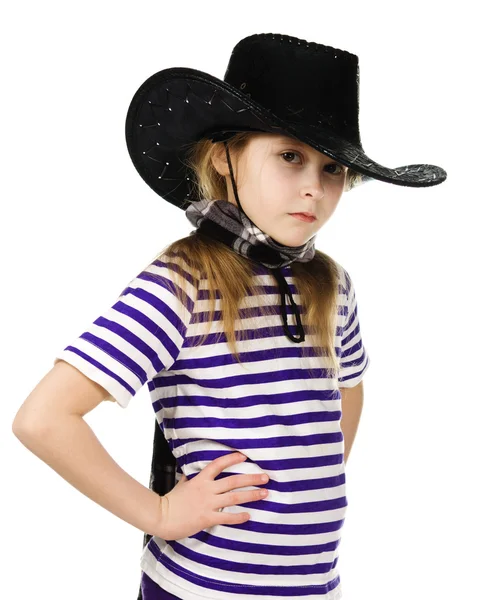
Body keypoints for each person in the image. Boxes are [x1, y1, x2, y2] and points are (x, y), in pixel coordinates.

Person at [13, 32, 447, 600]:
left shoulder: (332, 284)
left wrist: (304, 494)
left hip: (316, 585)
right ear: (224, 155)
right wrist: (161, 515)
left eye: (333, 168)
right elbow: (44, 419)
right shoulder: (183, 281)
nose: (314, 188)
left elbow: (348, 390)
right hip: (208, 587)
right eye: (289, 157)